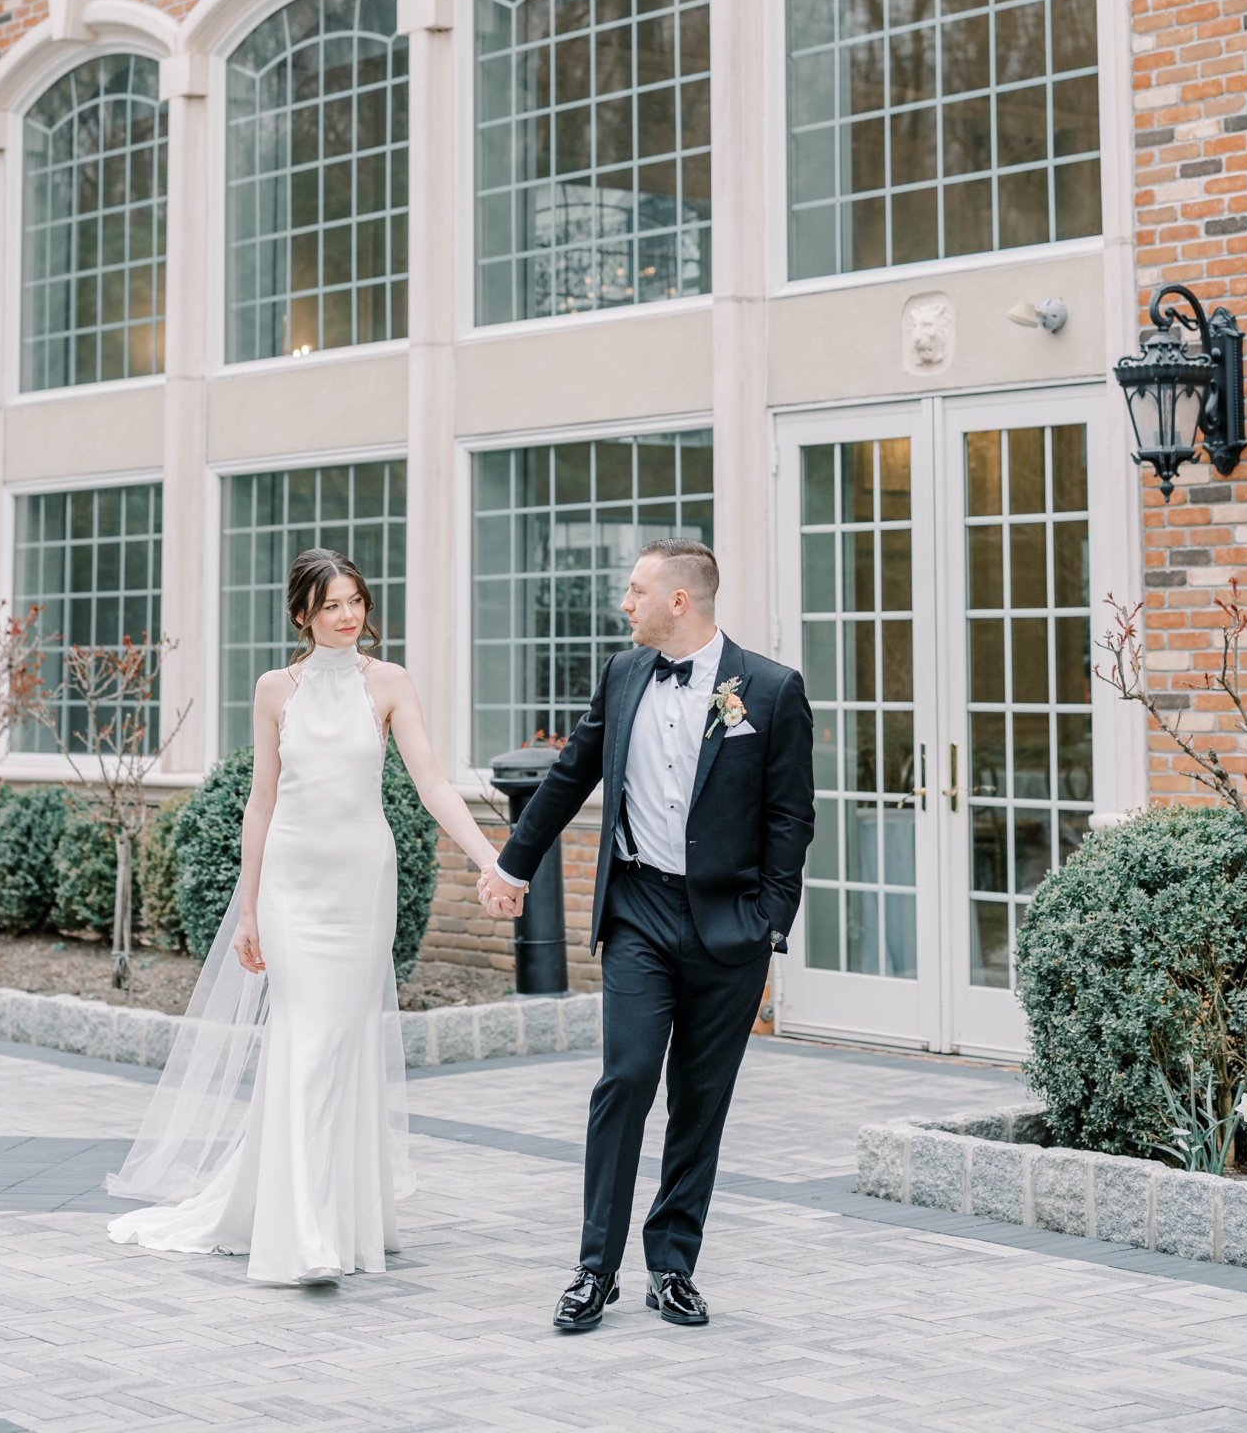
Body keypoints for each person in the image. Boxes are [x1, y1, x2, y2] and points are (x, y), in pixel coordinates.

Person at [107, 547, 507, 1286]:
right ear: (302, 614)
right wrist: (250, 907)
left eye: (356, 601)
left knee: (340, 1045)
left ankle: (343, 1216)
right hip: (292, 885)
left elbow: (432, 783)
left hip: (362, 885)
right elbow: (262, 801)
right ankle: (306, 1235)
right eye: (331, 605)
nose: (348, 616)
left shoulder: (388, 684)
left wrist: (491, 859)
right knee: (306, 1042)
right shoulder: (273, 690)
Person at [479, 537, 814, 1333]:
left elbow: (791, 817)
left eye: (635, 591)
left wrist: (768, 921)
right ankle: (595, 1270)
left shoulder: (768, 691)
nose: (622, 603)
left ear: (678, 601)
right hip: (639, 914)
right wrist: (511, 864)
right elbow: (570, 776)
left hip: (727, 927)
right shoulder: (625, 673)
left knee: (700, 1102)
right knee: (624, 1081)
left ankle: (673, 1264)